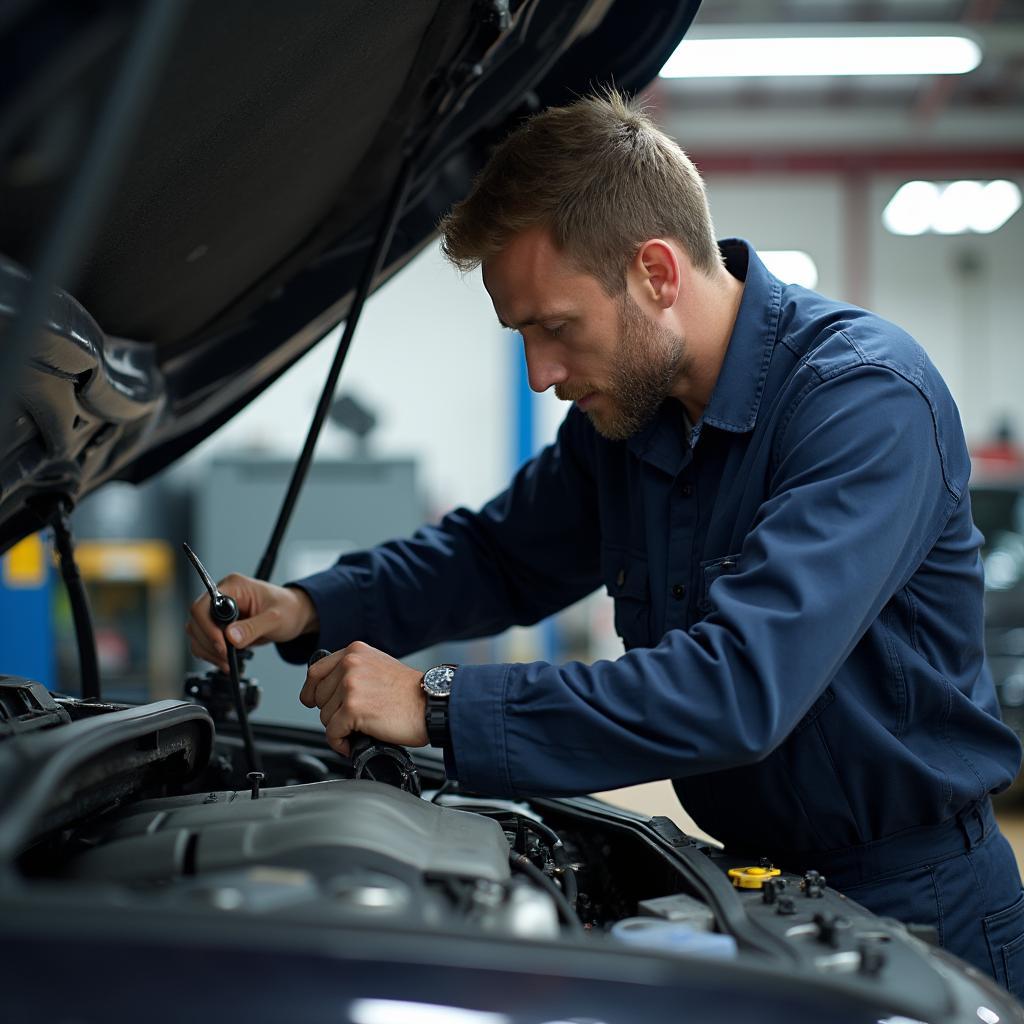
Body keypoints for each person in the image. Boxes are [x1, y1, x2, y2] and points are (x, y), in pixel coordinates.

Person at [187, 91, 1024, 991]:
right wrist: (313, 604)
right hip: (756, 886)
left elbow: (739, 689)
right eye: (522, 336)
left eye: (556, 328)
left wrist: (437, 702)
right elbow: (498, 555)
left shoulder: (862, 402)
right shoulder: (632, 421)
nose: (541, 373)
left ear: (657, 273)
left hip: (920, 906)